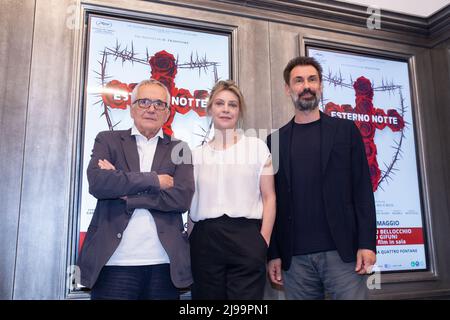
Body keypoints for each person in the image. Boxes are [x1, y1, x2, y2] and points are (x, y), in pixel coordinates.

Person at [267, 56, 377, 300]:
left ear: (320, 85)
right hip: (294, 260)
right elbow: (270, 200)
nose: (306, 86)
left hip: (344, 255)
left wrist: (367, 243)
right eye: (298, 80)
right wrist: (273, 253)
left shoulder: (346, 131)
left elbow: (362, 190)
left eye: (312, 79)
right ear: (288, 89)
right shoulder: (274, 141)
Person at [77, 79, 195, 300]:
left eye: (159, 104)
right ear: (131, 109)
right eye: (144, 102)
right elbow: (98, 183)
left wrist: (126, 193)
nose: (151, 108)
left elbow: (181, 199)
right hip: (113, 264)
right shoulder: (108, 140)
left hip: (164, 265)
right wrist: (155, 181)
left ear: (168, 113)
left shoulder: (181, 148)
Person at [189, 80, 276, 300]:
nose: (226, 109)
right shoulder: (195, 155)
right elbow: (191, 202)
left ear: (239, 111)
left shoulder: (257, 148)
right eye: (219, 103)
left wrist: (262, 241)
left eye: (232, 104)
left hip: (247, 238)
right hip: (205, 240)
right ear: (210, 109)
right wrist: (192, 237)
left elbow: (269, 197)